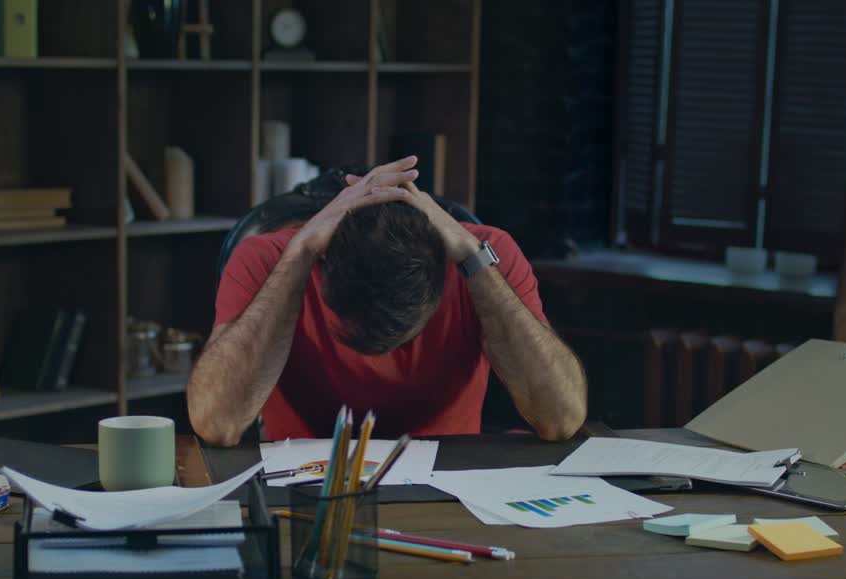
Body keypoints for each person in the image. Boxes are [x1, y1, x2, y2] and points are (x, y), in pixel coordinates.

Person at [188, 156, 587, 445]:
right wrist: (300, 251)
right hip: (305, 486)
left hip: (447, 486)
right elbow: (216, 423)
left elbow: (561, 418)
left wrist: (472, 257)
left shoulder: (486, 254)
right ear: (324, 268)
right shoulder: (267, 258)